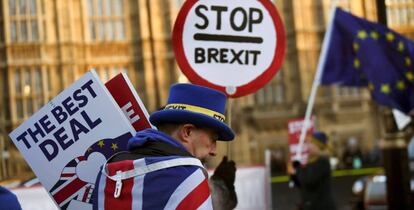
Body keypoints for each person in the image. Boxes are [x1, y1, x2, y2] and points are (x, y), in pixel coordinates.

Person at [93, 83, 237, 210]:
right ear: (187, 132)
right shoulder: (189, 177)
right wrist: (223, 186)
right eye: (213, 139)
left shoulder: (108, 170)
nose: (214, 151)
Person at [291, 131, 336, 210]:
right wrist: (293, 175)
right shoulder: (311, 162)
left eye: (311, 143)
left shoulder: (322, 162)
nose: (308, 146)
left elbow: (310, 181)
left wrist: (298, 169)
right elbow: (301, 184)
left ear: (318, 145)